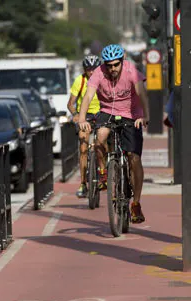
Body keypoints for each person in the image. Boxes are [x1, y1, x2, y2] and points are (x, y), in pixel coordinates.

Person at [78, 44, 150, 224]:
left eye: (116, 64)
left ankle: (136, 203)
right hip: (107, 112)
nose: (112, 69)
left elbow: (141, 93)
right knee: (99, 138)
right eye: (109, 65)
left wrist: (144, 116)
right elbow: (88, 96)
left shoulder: (130, 70)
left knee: (134, 157)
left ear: (122, 62)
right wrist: (81, 119)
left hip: (131, 114)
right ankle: (104, 172)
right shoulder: (98, 73)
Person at [67, 54, 102, 198]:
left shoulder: (103, 80)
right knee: (83, 147)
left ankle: (103, 174)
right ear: (85, 69)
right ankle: (83, 183)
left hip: (101, 114)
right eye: (89, 69)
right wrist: (75, 114)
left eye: (94, 69)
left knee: (103, 144)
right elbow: (70, 104)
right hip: (84, 116)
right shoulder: (80, 81)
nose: (92, 72)